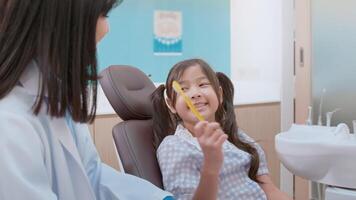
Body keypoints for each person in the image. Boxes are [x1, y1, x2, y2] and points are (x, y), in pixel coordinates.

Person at [0, 0, 173, 199]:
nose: (106, 28)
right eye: (103, 14)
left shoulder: (55, 97)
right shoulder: (9, 122)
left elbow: (92, 175)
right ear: (60, 19)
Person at [151, 58, 291, 200]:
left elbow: (269, 190)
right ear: (171, 104)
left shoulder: (236, 136)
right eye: (183, 89)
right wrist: (211, 166)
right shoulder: (173, 146)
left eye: (202, 84)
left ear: (220, 94)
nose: (195, 93)